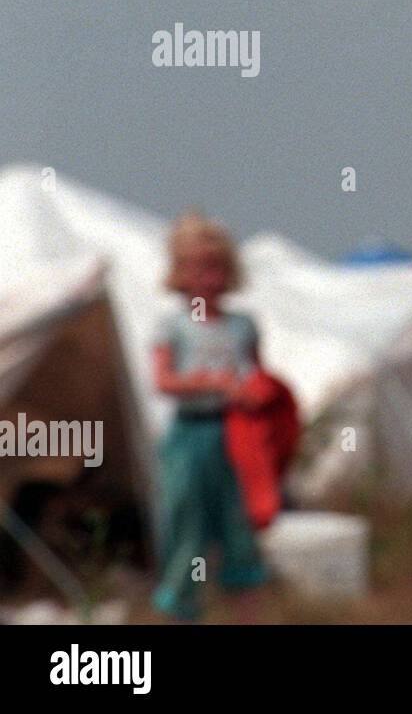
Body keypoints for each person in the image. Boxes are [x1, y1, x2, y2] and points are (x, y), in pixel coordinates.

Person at [151, 211, 269, 620]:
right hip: (190, 435)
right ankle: (184, 609)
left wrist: (253, 396)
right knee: (187, 531)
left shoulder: (242, 326)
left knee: (240, 529)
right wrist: (210, 383)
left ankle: (245, 614)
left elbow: (259, 377)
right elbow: (163, 381)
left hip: (236, 435)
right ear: (180, 274)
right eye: (195, 268)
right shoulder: (173, 326)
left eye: (214, 267)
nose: (206, 278)